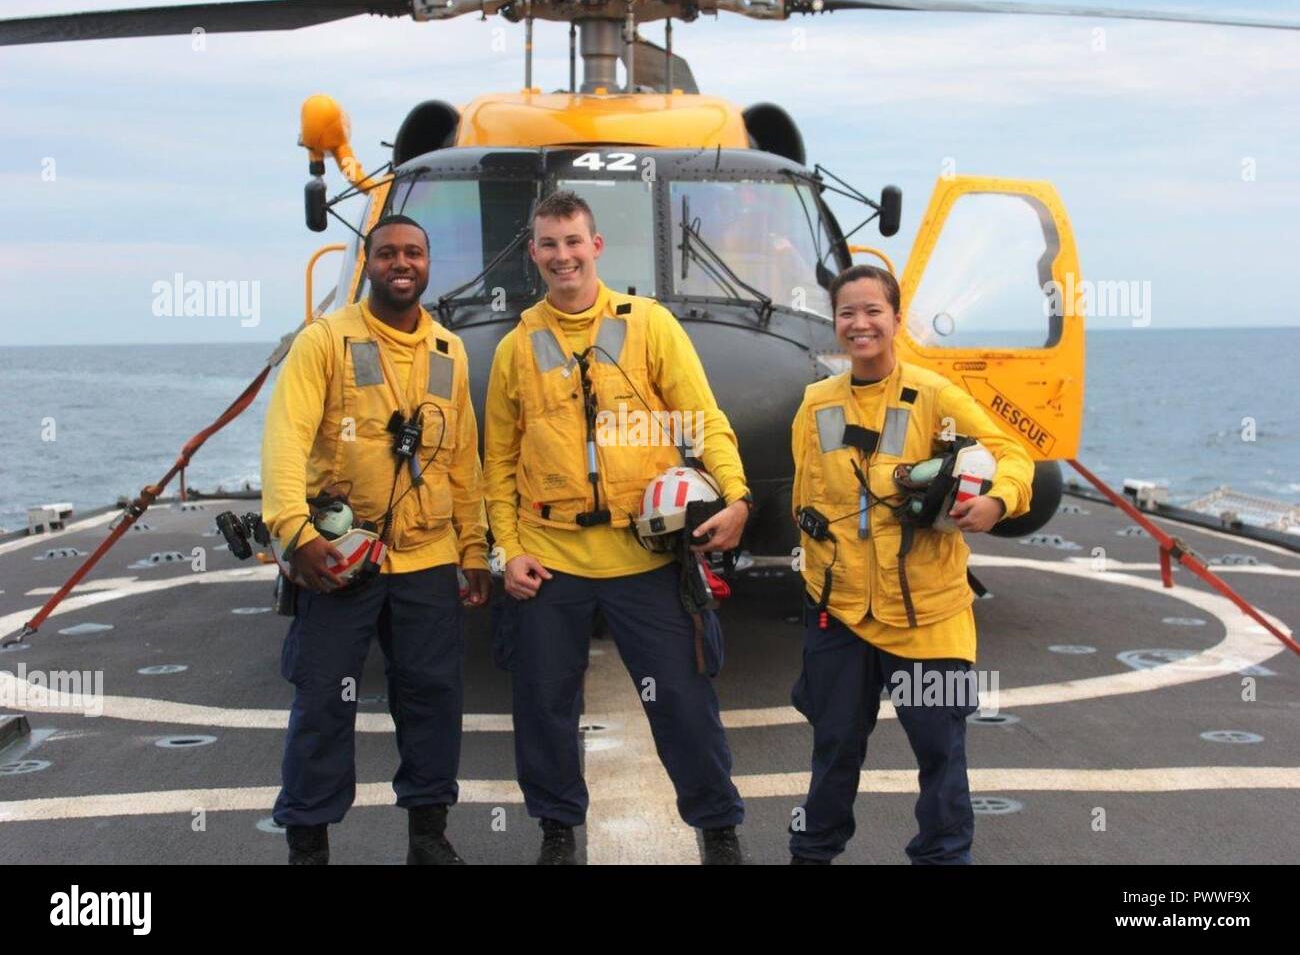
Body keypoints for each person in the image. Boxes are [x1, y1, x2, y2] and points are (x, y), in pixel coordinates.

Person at [483, 191, 753, 865]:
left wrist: (738, 496)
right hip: (551, 560)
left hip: (647, 559)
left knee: (684, 702)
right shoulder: (516, 349)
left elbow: (702, 419)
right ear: (534, 253)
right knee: (544, 707)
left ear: (596, 246)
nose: (563, 256)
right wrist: (506, 552)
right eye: (549, 244)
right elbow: (498, 464)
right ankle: (556, 831)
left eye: (573, 241)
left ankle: (718, 830)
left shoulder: (650, 325)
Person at [261, 214, 492, 865]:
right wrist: (293, 531)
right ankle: (309, 845)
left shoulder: (449, 352)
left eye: (413, 252)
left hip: (428, 559)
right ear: (368, 263)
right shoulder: (324, 342)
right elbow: (285, 438)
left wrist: (474, 548)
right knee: (322, 703)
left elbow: (463, 460)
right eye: (387, 252)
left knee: (433, 701)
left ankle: (429, 837)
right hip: (339, 557)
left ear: (427, 263)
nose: (401, 263)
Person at [788, 264, 1034, 864]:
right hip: (841, 613)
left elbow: (1012, 454)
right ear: (834, 322)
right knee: (834, 748)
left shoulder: (935, 396)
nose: (860, 323)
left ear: (897, 320)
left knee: (940, 753)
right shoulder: (816, 404)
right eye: (847, 312)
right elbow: (803, 498)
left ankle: (944, 857)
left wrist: (998, 501)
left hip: (928, 615)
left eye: (873, 310)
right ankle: (812, 853)